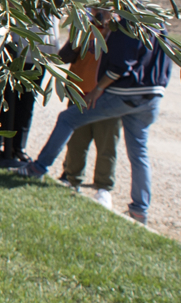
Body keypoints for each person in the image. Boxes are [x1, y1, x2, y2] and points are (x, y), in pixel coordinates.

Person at [19, 14, 172, 224]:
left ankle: (38, 168)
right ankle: (139, 210)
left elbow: (120, 65)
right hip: (152, 96)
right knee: (139, 152)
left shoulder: (127, 22)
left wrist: (98, 89)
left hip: (124, 94)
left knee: (68, 118)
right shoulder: (157, 22)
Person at [57, 7, 120, 209]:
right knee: (77, 141)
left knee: (107, 144)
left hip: (107, 96)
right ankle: (71, 179)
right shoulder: (83, 24)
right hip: (80, 91)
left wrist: (110, 28)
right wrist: (80, 32)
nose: (100, 6)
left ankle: (104, 188)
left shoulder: (120, 29)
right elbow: (64, 56)